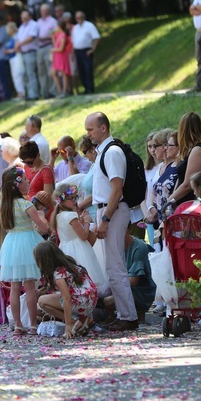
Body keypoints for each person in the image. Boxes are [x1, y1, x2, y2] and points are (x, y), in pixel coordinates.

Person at [84, 112, 138, 331]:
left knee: (116, 266)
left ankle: (128, 315)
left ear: (103, 128)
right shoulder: (103, 152)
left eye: (91, 129)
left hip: (112, 210)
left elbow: (117, 188)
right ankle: (122, 313)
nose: (88, 134)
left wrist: (105, 218)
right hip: (105, 210)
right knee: (111, 266)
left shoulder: (112, 151)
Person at [0, 167, 50, 335]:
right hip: (27, 243)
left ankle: (18, 324)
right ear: (18, 185)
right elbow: (44, 227)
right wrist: (42, 216)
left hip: (12, 243)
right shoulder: (26, 205)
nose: (29, 182)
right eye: (26, 180)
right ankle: (33, 324)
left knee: (14, 287)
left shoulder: (5, 206)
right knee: (29, 287)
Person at [34, 242, 98, 338]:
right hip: (92, 300)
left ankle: (73, 323)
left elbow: (67, 298)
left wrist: (67, 325)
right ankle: (85, 320)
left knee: (42, 301)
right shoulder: (69, 263)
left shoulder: (58, 273)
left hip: (81, 302)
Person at [52, 183, 106, 290]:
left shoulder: (58, 215)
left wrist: (80, 220)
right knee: (85, 278)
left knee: (75, 281)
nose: (74, 201)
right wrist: (86, 221)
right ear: (62, 200)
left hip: (66, 249)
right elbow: (84, 236)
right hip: (78, 249)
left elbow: (69, 231)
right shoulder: (71, 215)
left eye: (75, 197)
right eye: (70, 198)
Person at [169, 112, 201, 208]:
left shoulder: (197, 150)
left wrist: (169, 200)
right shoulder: (189, 149)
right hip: (182, 201)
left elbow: (188, 184)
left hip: (191, 202)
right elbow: (181, 179)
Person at [71, 11, 100, 94]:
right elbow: (74, 41)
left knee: (88, 69)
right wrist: (73, 52)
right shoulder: (75, 28)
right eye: (77, 18)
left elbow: (96, 38)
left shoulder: (89, 26)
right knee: (81, 71)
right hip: (77, 51)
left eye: (80, 17)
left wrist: (92, 49)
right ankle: (86, 88)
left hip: (86, 51)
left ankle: (90, 89)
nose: (78, 19)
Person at [14, 10, 40, 100]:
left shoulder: (33, 25)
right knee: (25, 74)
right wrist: (17, 45)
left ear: (29, 16)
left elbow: (31, 37)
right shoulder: (22, 27)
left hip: (31, 52)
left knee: (31, 73)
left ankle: (34, 94)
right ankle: (29, 93)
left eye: (25, 17)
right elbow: (17, 38)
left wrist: (20, 44)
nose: (24, 19)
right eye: (22, 17)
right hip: (23, 53)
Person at [36, 4, 58, 98]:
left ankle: (52, 91)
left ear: (48, 11)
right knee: (41, 71)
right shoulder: (38, 22)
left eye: (46, 10)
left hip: (49, 46)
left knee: (50, 70)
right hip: (39, 48)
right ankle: (44, 92)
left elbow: (56, 34)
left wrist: (44, 38)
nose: (44, 12)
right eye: (42, 10)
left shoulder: (52, 21)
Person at [4, 22, 25, 100]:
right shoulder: (10, 38)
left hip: (16, 57)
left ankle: (21, 94)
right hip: (11, 59)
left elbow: (17, 48)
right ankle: (19, 93)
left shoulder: (16, 37)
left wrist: (9, 51)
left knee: (18, 75)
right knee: (15, 76)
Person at [51, 20, 72, 98]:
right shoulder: (58, 35)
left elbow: (61, 48)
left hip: (62, 56)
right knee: (54, 73)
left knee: (64, 73)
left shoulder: (63, 35)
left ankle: (65, 91)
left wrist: (52, 50)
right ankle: (59, 90)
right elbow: (56, 45)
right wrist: (53, 38)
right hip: (57, 56)